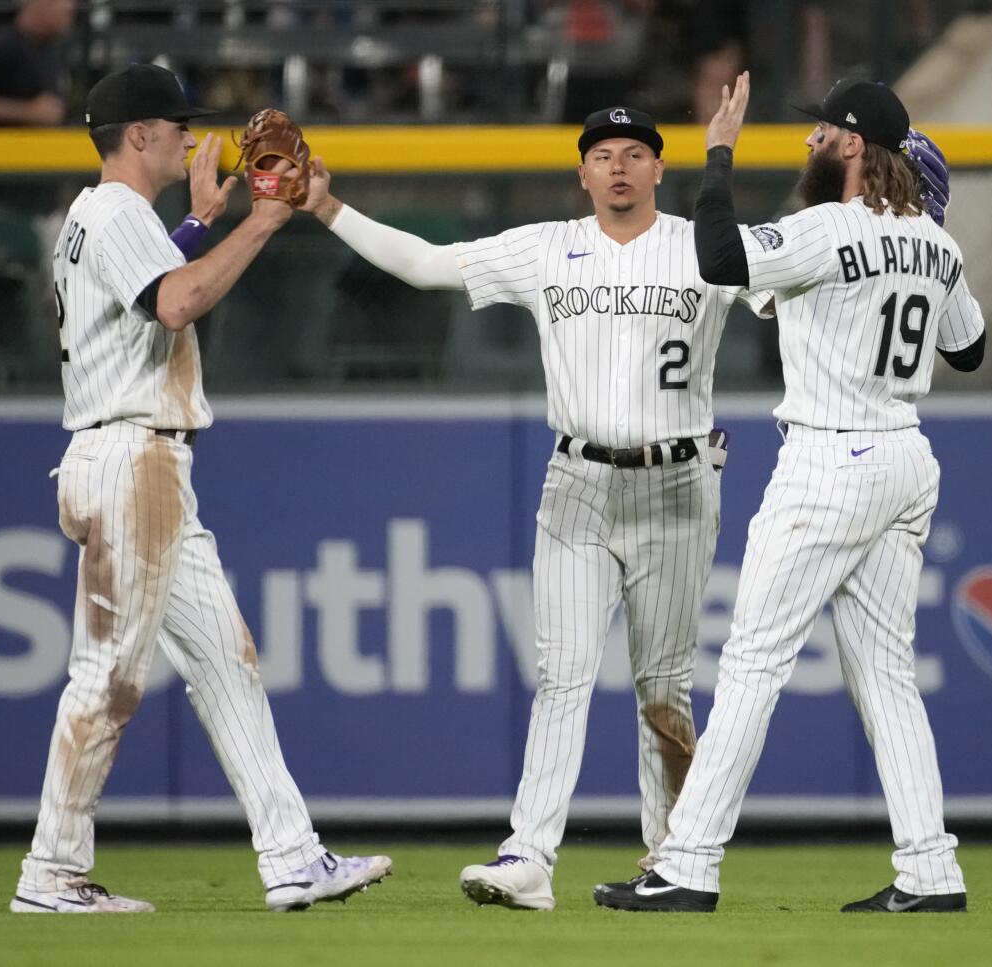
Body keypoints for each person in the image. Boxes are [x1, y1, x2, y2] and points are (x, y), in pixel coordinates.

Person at [303, 104, 742, 910]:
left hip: (677, 486)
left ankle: (675, 859)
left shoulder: (704, 245)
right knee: (562, 677)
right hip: (576, 482)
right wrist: (329, 207)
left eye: (635, 153)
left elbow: (793, 294)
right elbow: (426, 264)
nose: (618, 166)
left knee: (664, 690)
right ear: (582, 173)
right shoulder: (546, 248)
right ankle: (529, 855)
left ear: (659, 169)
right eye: (603, 153)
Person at [592, 73, 985, 914]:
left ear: (853, 146)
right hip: (906, 459)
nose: (808, 141)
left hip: (830, 460)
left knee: (752, 664)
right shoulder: (937, 243)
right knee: (887, 676)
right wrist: (923, 252)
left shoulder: (822, 227)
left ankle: (688, 861)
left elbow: (721, 256)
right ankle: (930, 867)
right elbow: (972, 349)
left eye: (821, 132)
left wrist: (720, 153)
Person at [10, 63, 391, 915]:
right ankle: (52, 872)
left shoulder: (98, 216)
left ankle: (292, 857)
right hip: (130, 457)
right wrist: (263, 222)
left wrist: (199, 219)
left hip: (140, 460)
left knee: (228, 662)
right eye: (177, 125)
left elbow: (143, 291)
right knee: (106, 677)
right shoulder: (112, 211)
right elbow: (176, 304)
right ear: (139, 133)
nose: (192, 138)